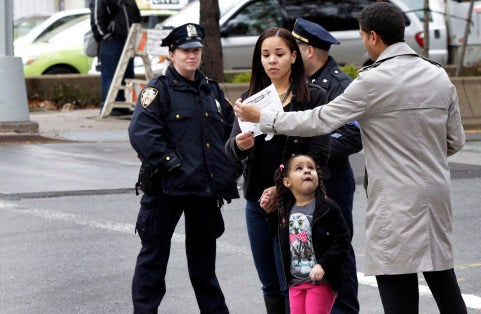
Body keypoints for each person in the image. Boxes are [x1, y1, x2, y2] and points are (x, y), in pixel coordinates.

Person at [234, 2, 468, 313]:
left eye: (361, 36)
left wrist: (267, 119)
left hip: (394, 195)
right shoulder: (438, 75)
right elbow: (454, 141)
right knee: (442, 276)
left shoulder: (373, 80)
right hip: (436, 191)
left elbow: (320, 120)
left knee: (396, 278)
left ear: (373, 37)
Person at [128, 23, 240, 313]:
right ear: (172, 54)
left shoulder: (211, 91)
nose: (192, 56)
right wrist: (172, 164)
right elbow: (143, 134)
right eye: (186, 50)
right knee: (153, 262)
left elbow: (229, 133)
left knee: (204, 268)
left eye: (196, 50)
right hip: (168, 187)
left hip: (204, 190)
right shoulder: (158, 90)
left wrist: (230, 169)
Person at [224, 27, 330, 313]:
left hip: (297, 207)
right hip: (257, 204)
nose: (272, 60)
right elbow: (230, 149)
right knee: (269, 283)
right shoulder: (250, 99)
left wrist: (282, 188)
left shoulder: (312, 97)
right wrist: (240, 144)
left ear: (294, 57)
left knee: (295, 281)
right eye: (265, 54)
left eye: (279, 54)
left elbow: (319, 155)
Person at [292, 17, 361, 314]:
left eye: (294, 46)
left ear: (308, 50)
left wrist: (311, 152)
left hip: (331, 179)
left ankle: (344, 309)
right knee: (301, 248)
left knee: (336, 248)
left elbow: (352, 135)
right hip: (299, 184)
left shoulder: (340, 85)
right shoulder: (295, 82)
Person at [268, 154, 350, 314]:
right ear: (287, 182)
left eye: (310, 168)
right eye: (299, 168)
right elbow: (280, 238)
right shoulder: (286, 210)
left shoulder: (328, 208)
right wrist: (269, 214)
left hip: (320, 281)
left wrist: (323, 265)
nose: (307, 171)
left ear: (318, 177)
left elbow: (342, 242)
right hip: (295, 282)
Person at [89, 0, 140, 115]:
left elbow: (136, 15)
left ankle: (122, 105)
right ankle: (109, 106)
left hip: (128, 40)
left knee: (127, 74)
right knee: (110, 75)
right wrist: (106, 36)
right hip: (112, 41)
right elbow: (97, 19)